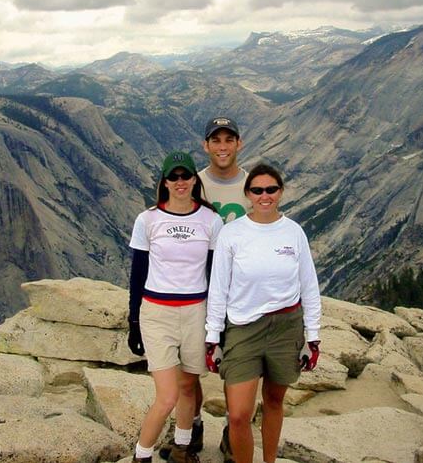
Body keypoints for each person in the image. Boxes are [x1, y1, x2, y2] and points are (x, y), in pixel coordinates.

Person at [205, 163, 322, 463]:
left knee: (273, 400)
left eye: (271, 189)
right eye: (257, 190)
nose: (264, 195)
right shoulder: (232, 234)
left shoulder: (294, 232)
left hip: (286, 326)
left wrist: (314, 337)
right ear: (248, 195)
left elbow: (309, 285)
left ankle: (269, 460)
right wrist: (213, 338)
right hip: (244, 328)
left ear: (280, 192)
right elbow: (218, 288)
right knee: (240, 414)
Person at [159, 116, 247, 462]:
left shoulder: (252, 184)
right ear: (206, 146)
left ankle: (232, 432)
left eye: (229, 140)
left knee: (236, 366)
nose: (222, 147)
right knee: (189, 366)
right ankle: (191, 428)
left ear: (238, 144)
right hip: (198, 289)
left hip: (240, 292)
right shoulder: (195, 184)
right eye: (216, 140)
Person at [128, 151, 224, 463]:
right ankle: (141, 455)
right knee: (167, 395)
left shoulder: (211, 220)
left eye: (186, 176)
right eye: (174, 176)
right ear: (165, 182)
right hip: (157, 313)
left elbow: (215, 274)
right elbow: (137, 274)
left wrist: (217, 323)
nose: (180, 182)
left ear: (195, 180)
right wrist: (133, 321)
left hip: (197, 311)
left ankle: (183, 448)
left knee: (188, 384)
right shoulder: (148, 219)